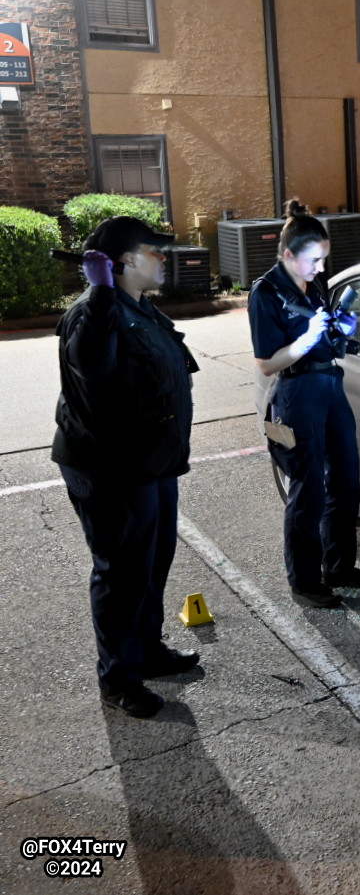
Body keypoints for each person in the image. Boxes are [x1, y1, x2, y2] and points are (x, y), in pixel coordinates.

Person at [52, 216, 201, 718]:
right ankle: (118, 678)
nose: (164, 259)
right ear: (123, 262)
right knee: (121, 572)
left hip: (150, 463)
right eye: (154, 251)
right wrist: (98, 295)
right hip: (110, 469)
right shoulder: (93, 314)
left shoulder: (140, 309)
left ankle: (148, 650)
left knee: (153, 561)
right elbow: (93, 366)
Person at [248, 200, 360, 609]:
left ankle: (338, 565)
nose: (320, 268)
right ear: (288, 254)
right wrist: (304, 341)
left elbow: (329, 338)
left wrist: (341, 331)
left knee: (345, 477)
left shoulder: (314, 283)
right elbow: (267, 362)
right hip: (297, 392)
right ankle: (304, 581)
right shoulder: (265, 292)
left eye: (324, 259)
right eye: (312, 260)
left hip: (329, 384)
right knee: (308, 489)